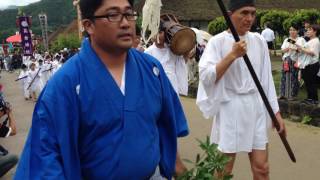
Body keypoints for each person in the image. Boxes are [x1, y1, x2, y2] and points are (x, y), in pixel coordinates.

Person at [15, 0, 189, 179]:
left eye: (129, 14)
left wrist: (180, 169)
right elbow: (45, 156)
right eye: (113, 15)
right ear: (89, 25)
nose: (125, 23)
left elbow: (165, 125)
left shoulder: (152, 69)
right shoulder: (65, 83)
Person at [196, 0, 286, 179]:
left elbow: (266, 80)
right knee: (223, 170)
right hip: (231, 107)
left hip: (256, 107)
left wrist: (276, 114)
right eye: (244, 13)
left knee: (262, 168)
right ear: (230, 15)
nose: (249, 18)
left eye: (253, 13)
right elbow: (206, 76)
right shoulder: (217, 42)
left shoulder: (258, 41)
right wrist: (232, 55)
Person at [279, 25, 306, 100]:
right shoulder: (287, 39)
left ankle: (292, 95)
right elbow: (282, 50)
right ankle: (283, 94)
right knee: (284, 77)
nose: (292, 31)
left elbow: (302, 50)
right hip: (286, 61)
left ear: (297, 31)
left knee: (293, 78)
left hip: (295, 61)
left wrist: (295, 48)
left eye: (294, 30)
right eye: (290, 30)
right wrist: (288, 48)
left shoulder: (301, 39)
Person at [296, 24, 320, 105]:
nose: (308, 32)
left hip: (312, 65)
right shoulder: (310, 41)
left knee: (312, 83)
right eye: (307, 30)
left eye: (310, 30)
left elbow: (313, 53)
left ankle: (314, 99)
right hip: (307, 65)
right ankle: (310, 98)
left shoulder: (316, 41)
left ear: (315, 32)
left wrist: (301, 48)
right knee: (308, 82)